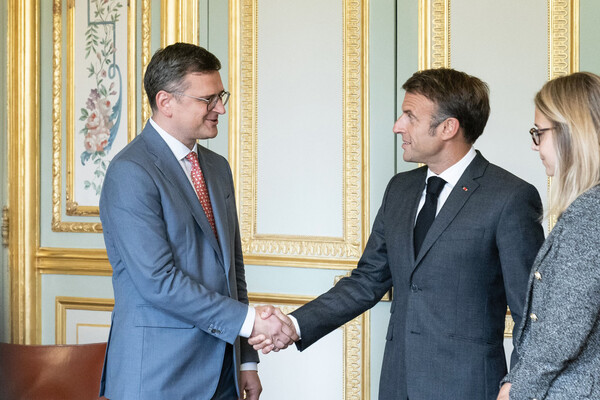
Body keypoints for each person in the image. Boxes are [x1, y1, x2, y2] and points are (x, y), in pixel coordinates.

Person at [251, 68, 545, 400]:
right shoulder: (400, 189)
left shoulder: (510, 197)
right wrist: (294, 325)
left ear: (448, 128)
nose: (397, 126)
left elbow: (531, 311)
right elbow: (367, 280)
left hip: (469, 387)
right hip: (397, 383)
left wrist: (519, 386)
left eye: (410, 116)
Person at [99, 42, 297, 400]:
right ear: (166, 102)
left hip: (224, 372)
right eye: (208, 99)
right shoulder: (130, 172)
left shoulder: (218, 168)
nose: (220, 108)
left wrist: (246, 360)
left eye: (221, 96)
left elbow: (232, 271)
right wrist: (251, 321)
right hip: (159, 377)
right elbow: (158, 281)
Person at [497, 72, 600, 400]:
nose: (534, 144)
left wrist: (514, 390)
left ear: (572, 132)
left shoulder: (589, 214)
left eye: (539, 132)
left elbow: (561, 332)